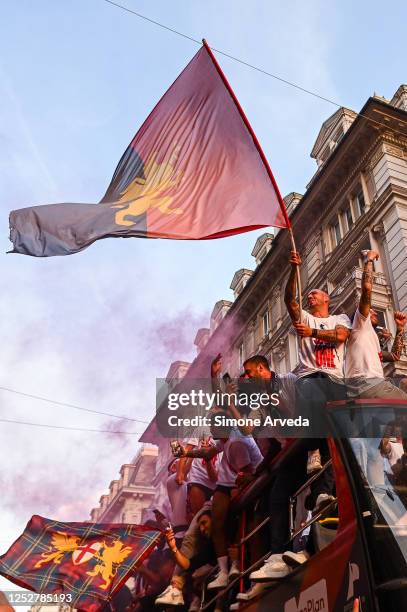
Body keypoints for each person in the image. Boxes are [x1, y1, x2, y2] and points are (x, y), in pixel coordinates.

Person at [284, 250, 351, 508]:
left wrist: (312, 332)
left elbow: (342, 336)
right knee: (312, 390)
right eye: (308, 293)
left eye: (315, 293)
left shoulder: (338, 318)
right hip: (311, 377)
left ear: (327, 298)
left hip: (335, 379)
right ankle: (313, 450)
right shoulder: (304, 315)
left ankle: (321, 493)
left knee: (337, 439)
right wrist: (293, 269)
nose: (310, 295)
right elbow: (290, 299)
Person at [155, 505, 215, 608]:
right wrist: (174, 548)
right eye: (199, 526)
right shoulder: (206, 548)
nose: (202, 529)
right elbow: (189, 564)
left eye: (204, 523)